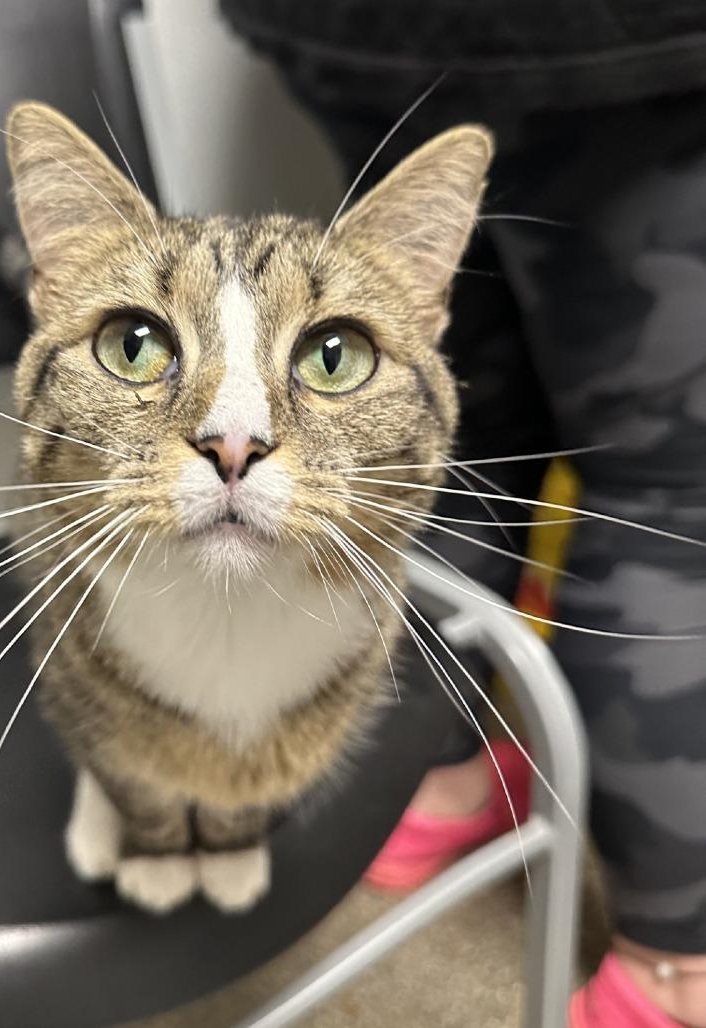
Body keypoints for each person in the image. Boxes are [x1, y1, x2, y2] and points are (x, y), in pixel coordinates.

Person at [221, 2, 706, 1025]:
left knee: (453, 421)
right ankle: (673, 967)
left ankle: (432, 789)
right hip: (616, 48)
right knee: (670, 489)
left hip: (353, 29)